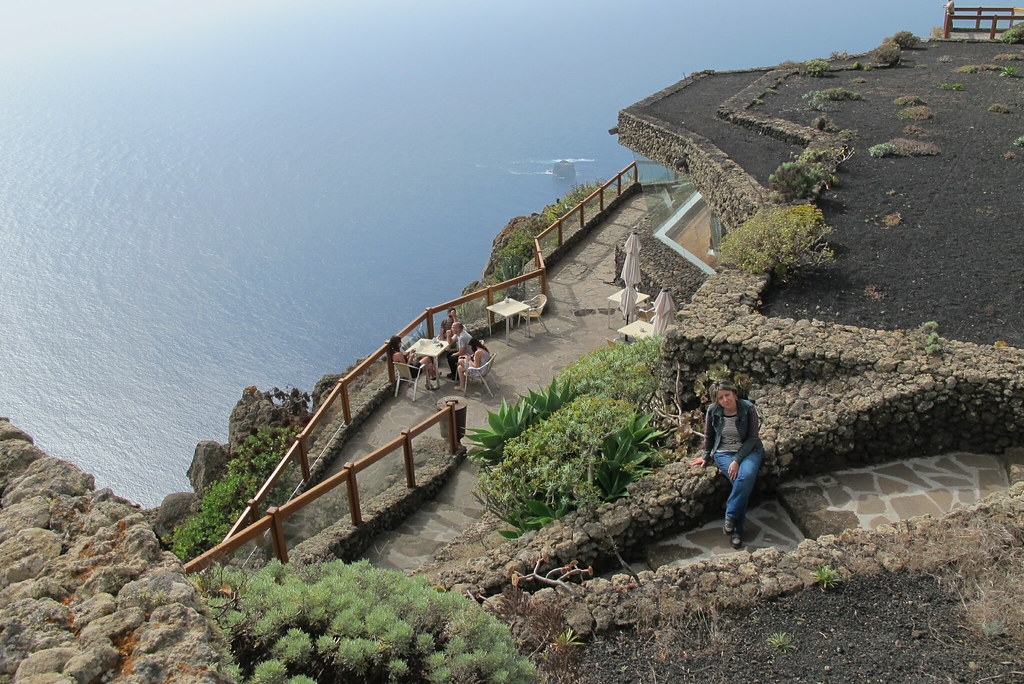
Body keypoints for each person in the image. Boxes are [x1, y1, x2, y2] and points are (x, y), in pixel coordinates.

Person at [689, 380, 764, 549]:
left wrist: (737, 460)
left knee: (744, 477)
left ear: (734, 394)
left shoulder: (747, 408)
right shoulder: (713, 411)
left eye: (727, 395)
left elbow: (753, 438)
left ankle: (730, 515)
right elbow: (709, 435)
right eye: (720, 398)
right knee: (741, 482)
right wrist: (705, 456)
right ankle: (737, 531)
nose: (725, 400)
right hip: (723, 452)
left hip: (749, 450)